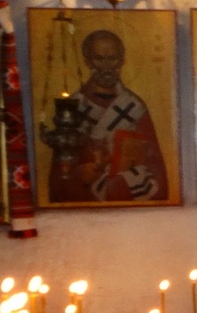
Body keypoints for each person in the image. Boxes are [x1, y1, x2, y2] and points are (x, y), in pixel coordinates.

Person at [46, 30, 171, 203]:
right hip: (85, 200)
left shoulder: (134, 107)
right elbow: (60, 174)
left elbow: (155, 165)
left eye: (112, 58)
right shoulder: (74, 107)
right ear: (88, 61)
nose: (106, 66)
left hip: (126, 196)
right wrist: (80, 175)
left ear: (121, 61)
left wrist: (125, 180)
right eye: (99, 58)